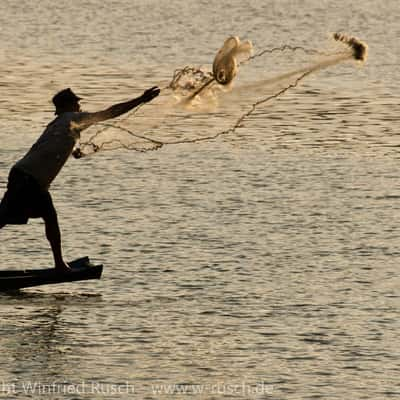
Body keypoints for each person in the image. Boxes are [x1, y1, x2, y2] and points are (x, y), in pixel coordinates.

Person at [0, 86, 160, 272]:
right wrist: (140, 99)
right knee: (29, 218)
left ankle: (60, 264)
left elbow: (54, 149)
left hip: (27, 177)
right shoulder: (71, 118)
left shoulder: (60, 123)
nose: (79, 106)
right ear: (69, 106)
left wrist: (76, 152)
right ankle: (60, 265)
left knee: (34, 217)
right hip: (28, 178)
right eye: (77, 102)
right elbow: (111, 112)